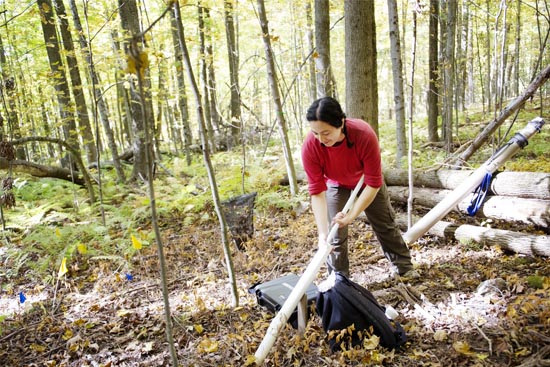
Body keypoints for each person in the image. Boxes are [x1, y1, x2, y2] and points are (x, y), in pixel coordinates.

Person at [301, 96, 418, 279]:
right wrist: (322, 233)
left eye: (326, 133)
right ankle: (339, 281)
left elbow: (373, 182)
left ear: (340, 122)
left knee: (385, 224)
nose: (321, 139)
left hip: (366, 184)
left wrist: (352, 215)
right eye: (315, 133)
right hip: (336, 184)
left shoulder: (363, 134)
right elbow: (316, 192)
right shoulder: (311, 146)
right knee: (334, 234)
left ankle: (404, 267)